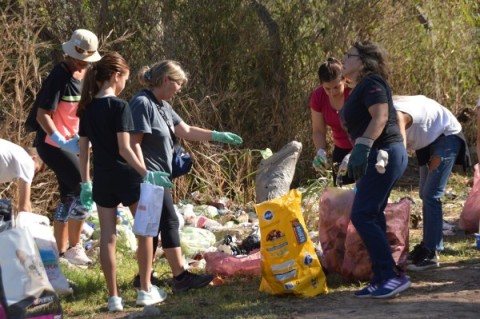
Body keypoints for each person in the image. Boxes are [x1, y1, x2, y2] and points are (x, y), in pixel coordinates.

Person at [129, 60, 243, 293]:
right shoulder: (142, 103)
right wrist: (146, 174)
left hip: (161, 177)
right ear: (165, 80)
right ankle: (180, 277)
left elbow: (187, 131)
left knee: (155, 226)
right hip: (149, 178)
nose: (179, 89)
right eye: (178, 83)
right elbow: (133, 143)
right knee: (168, 221)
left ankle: (144, 276)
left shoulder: (163, 105)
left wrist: (218, 136)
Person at [77, 51, 170, 312]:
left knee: (108, 237)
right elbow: (125, 149)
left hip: (103, 180)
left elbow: (83, 153)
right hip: (127, 176)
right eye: (126, 79)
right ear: (117, 76)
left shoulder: (86, 109)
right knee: (145, 232)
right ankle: (144, 291)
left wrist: (86, 182)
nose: (125, 84)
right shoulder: (120, 106)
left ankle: (113, 298)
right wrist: (146, 173)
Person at [339, 40, 410, 298]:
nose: (344, 60)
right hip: (376, 156)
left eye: (349, 55)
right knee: (373, 214)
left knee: (363, 214)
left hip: (385, 154)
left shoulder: (372, 83)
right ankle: (382, 277)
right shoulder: (358, 88)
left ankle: (391, 277)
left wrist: (363, 146)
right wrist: (352, 154)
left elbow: (380, 117)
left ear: (364, 61)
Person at [32, 29, 101, 266]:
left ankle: (59, 253)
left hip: (74, 142)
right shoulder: (59, 75)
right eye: (79, 59)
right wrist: (61, 140)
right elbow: (43, 114)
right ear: (71, 54)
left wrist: (82, 140)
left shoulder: (87, 74)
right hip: (53, 144)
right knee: (84, 191)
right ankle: (75, 247)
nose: (82, 63)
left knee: (68, 197)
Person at [393, 95, 471, 271]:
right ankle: (427, 244)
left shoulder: (393, 116)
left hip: (446, 136)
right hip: (427, 139)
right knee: (424, 193)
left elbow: (399, 154)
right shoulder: (377, 111)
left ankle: (432, 252)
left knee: (431, 194)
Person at [310, 57, 353, 186]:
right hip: (341, 149)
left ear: (344, 79)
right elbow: (318, 130)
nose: (332, 92)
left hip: (363, 147)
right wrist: (320, 152)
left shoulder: (354, 93)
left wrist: (356, 153)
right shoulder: (318, 97)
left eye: (336, 87)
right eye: (327, 88)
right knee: (341, 195)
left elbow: (369, 129)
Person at [0, 139, 43, 214]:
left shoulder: (14, 153)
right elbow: (24, 208)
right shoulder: (28, 162)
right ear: (34, 158)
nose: (33, 174)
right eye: (36, 170)